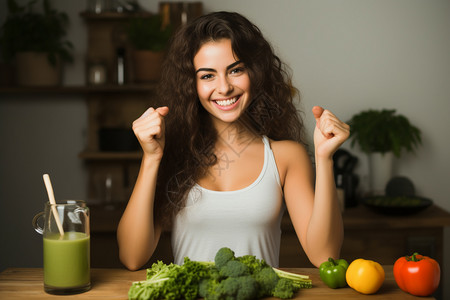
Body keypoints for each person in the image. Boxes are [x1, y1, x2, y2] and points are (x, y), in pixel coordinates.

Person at [117, 11, 350, 271]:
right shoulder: (172, 153)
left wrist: (324, 158)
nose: (224, 87)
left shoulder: (286, 156)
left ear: (255, 71)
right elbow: (131, 256)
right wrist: (151, 159)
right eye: (207, 75)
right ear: (190, 84)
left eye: (235, 70)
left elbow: (324, 256)